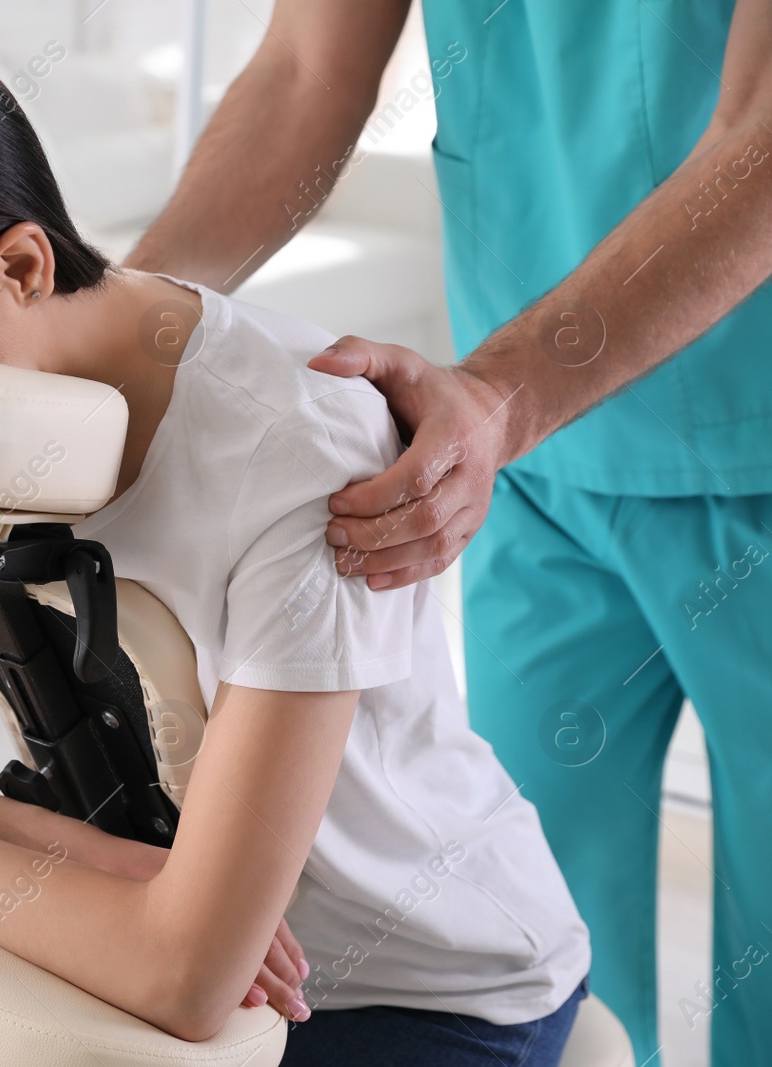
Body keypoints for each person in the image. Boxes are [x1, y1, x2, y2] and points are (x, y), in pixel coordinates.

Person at [0, 26, 592, 1065]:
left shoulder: (296, 455)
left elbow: (185, 980)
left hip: (422, 988)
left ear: (20, 266)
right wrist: (117, 874)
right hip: (169, 930)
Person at [126, 2, 772, 1062]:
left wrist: (500, 397)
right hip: (531, 466)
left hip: (721, 429)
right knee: (531, 947)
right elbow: (302, 72)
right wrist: (126, 324)